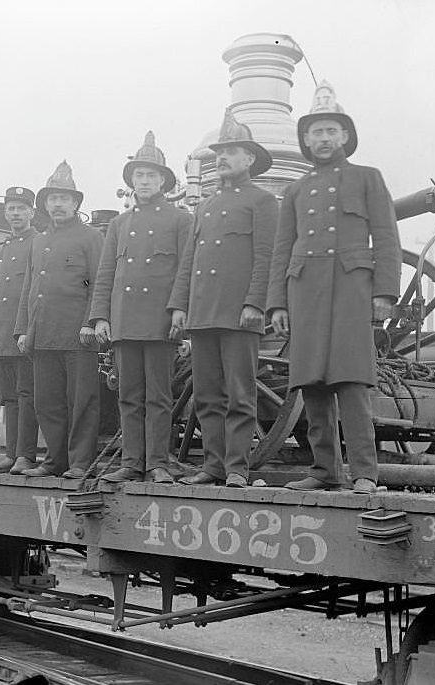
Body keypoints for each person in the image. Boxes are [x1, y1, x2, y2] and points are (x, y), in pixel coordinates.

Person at [266, 82, 402, 494]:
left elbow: (387, 237)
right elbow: (281, 250)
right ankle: (325, 470)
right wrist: (277, 305)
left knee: (351, 379)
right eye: (316, 132)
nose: (323, 139)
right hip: (304, 294)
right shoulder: (295, 190)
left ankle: (364, 472)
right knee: (311, 382)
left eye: (331, 131)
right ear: (305, 140)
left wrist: (383, 293)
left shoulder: (368, 178)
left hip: (351, 292)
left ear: (345, 136)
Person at [169, 110, 279, 488]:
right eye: (220, 152)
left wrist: (254, 304)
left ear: (250, 159)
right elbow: (189, 262)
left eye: (232, 151)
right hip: (202, 316)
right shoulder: (205, 206)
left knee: (239, 395)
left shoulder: (263, 202)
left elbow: (266, 258)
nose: (223, 157)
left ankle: (236, 469)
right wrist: (180, 307)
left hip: (238, 315)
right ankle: (213, 467)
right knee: (207, 396)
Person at [89, 132, 193, 483]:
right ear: (131, 181)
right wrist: (100, 316)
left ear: (164, 180)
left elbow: (186, 270)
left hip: (160, 322)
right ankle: (131, 463)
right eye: (139, 175)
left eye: (152, 175)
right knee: (129, 397)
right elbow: (106, 274)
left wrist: (180, 310)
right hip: (124, 322)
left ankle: (158, 464)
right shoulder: (120, 225)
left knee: (160, 398)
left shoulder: (180, 220)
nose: (145, 181)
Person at [14, 161, 103, 478]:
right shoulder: (38, 242)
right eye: (52, 199)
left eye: (65, 199)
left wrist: (91, 321)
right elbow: (30, 288)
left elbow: (98, 282)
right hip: (44, 335)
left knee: (82, 402)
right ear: (45, 204)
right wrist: (23, 330)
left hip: (78, 336)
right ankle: (55, 460)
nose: (58, 204)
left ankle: (80, 462)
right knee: (47, 403)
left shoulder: (90, 237)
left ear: (76, 203)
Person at [0, 187, 41, 474]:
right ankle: (11, 454)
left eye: (21, 209)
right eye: (11, 209)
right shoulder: (0, 250)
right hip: (1, 336)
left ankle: (25, 456)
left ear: (31, 213)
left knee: (27, 394)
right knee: (9, 398)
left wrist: (27, 331)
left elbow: (36, 294)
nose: (16, 214)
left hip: (23, 333)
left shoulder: (38, 243)